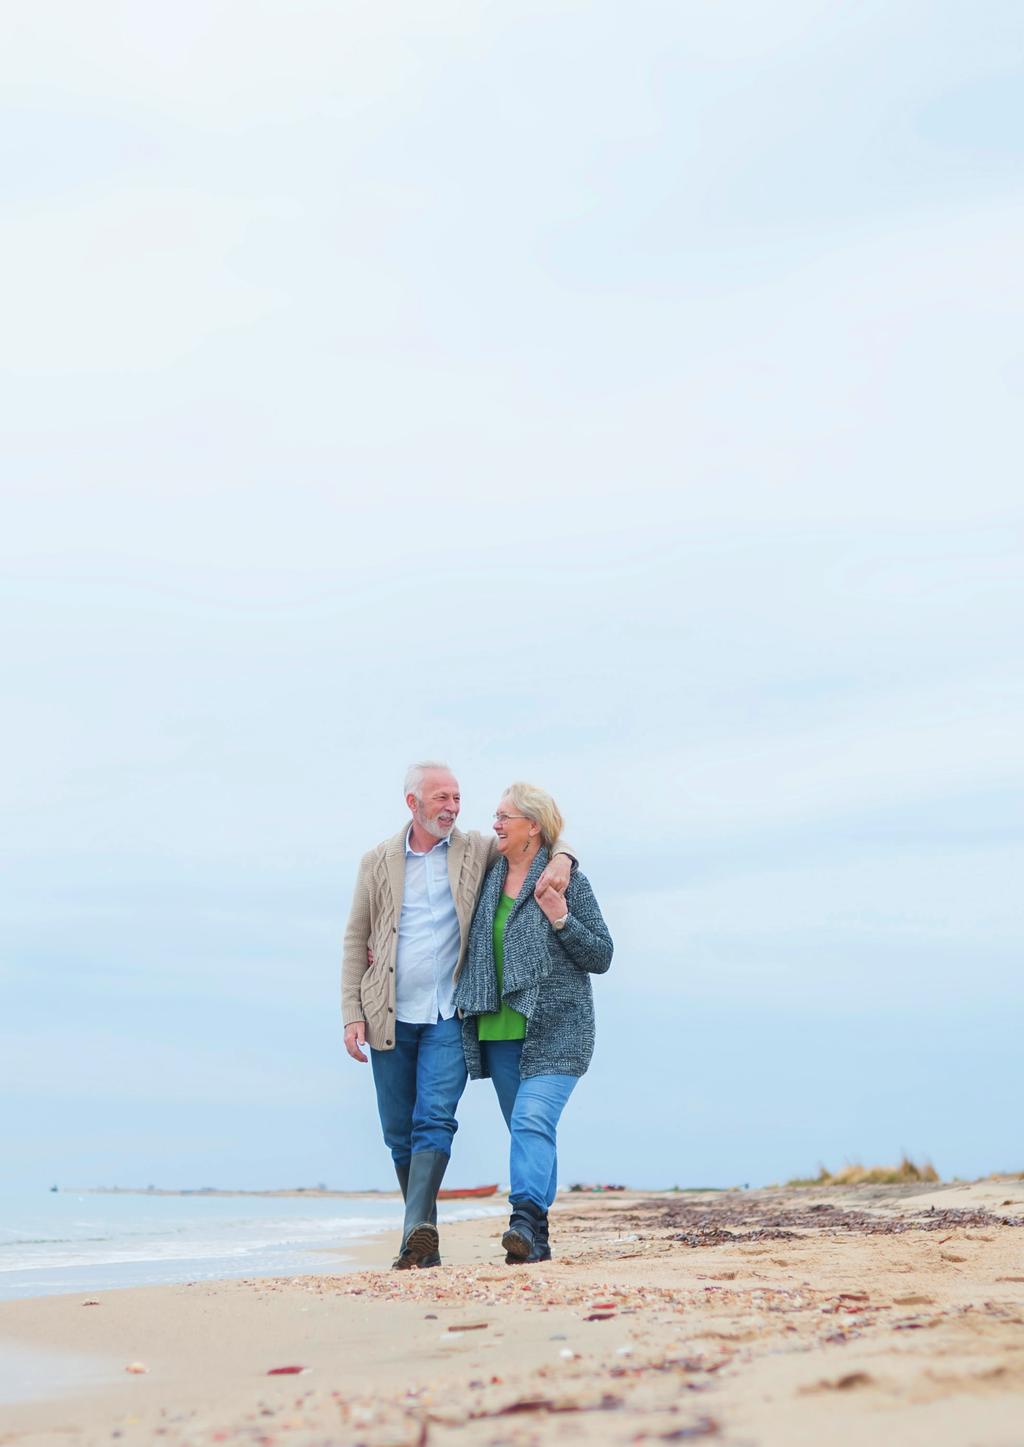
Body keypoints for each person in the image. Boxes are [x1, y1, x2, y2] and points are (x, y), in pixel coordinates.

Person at [341, 762, 575, 1270]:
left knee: (435, 1119)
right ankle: (423, 1241)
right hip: (387, 1013)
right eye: (441, 798)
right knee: (396, 1129)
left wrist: (567, 858)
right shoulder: (376, 861)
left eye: (456, 798)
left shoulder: (475, 848)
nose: (452, 807)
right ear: (413, 803)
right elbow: (355, 940)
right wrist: (350, 1014)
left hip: (450, 1012)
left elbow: (536, 843)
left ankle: (414, 1235)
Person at [453, 782, 612, 1264]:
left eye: (505, 816)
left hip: (558, 1028)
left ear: (533, 826)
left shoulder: (567, 882)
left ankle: (522, 1220)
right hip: (498, 1031)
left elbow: (601, 955)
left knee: (530, 1121)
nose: (495, 824)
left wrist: (562, 919)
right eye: (495, 815)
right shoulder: (487, 874)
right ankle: (536, 1238)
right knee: (530, 1131)